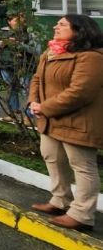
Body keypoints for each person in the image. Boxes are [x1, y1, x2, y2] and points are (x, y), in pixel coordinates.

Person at [29, 14, 103, 233]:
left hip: (77, 121)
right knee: (53, 158)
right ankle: (60, 200)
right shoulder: (51, 51)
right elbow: (36, 78)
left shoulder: (91, 57)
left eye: (62, 24)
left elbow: (80, 92)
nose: (56, 27)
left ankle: (82, 214)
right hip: (50, 120)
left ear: (79, 30)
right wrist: (33, 101)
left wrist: (45, 107)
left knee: (82, 166)